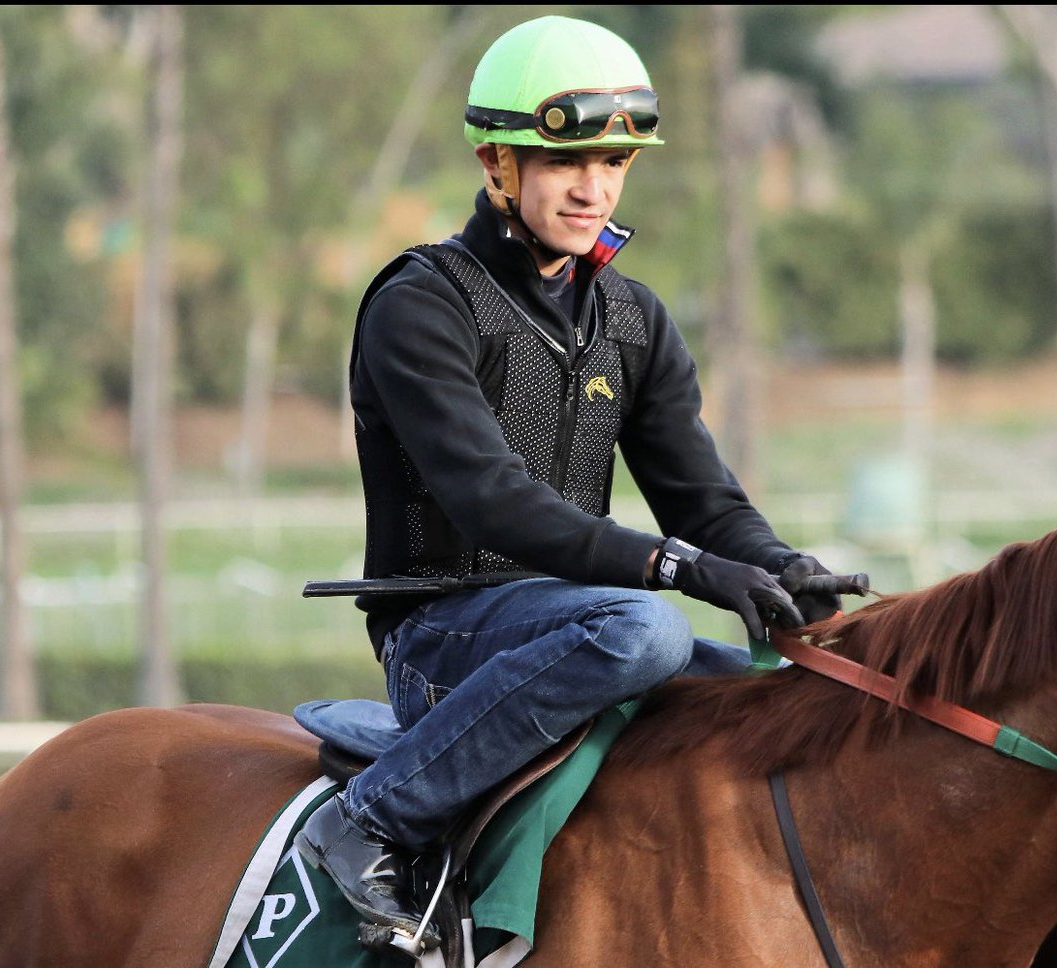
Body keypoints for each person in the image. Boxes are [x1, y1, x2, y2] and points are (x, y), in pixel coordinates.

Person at [295, 13, 846, 956]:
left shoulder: (634, 318)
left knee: (788, 688)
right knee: (649, 626)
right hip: (445, 632)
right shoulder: (419, 303)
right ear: (497, 164)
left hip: (576, 626)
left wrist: (793, 577)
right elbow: (493, 502)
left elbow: (703, 500)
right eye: (566, 165)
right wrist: (679, 570)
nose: (594, 190)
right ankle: (370, 820)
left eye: (615, 166)